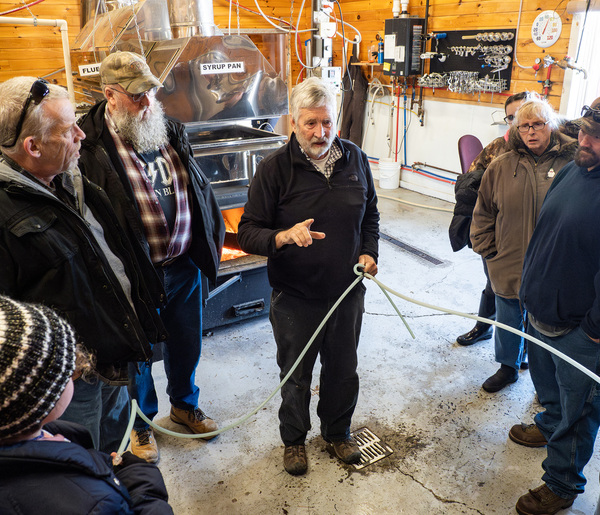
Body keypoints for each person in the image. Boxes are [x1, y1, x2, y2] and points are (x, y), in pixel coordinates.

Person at [0, 76, 166, 453]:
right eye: (68, 129)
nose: (82, 134)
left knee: (115, 447)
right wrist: (62, 362)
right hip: (68, 382)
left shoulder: (69, 178)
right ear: (33, 146)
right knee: (82, 458)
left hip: (113, 356)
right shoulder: (4, 212)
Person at [77, 51, 226, 463]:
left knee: (186, 341)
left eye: (152, 93)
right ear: (111, 95)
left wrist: (208, 240)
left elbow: (193, 186)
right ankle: (141, 424)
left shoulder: (168, 128)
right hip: (134, 274)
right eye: (137, 96)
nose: (148, 103)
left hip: (182, 263)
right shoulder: (90, 144)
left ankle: (184, 403)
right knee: (138, 353)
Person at [237, 77, 380, 476]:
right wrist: (282, 236)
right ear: (294, 123)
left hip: (347, 291)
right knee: (296, 375)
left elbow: (370, 215)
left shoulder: (355, 158)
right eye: (311, 123)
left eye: (328, 123)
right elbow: (248, 231)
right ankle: (295, 441)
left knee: (342, 370)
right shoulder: (274, 170)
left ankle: (337, 432)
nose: (321, 133)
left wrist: (370, 252)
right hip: (296, 297)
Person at [0, 296, 174, 514]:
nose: (80, 363)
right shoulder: (94, 502)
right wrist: (144, 482)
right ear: (41, 395)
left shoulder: (43, 434)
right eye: (69, 368)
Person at [509, 98, 600, 515]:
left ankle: (562, 483)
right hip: (542, 310)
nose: (583, 141)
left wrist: (592, 331)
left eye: (596, 137)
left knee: (579, 410)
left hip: (579, 330)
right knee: (554, 394)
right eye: (582, 130)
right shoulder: (575, 170)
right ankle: (547, 424)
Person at [470, 95, 577, 393]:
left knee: (546, 323)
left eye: (538, 125)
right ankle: (508, 366)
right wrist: (489, 251)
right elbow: (484, 212)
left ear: (551, 125)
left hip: (551, 263)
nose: (531, 131)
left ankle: (546, 382)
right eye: (524, 125)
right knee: (507, 314)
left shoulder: (571, 163)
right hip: (508, 257)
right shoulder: (502, 165)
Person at [450, 92, 527, 346]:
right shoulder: (497, 147)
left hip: (530, 232)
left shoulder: (545, 151)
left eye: (524, 115)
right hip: (497, 229)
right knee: (493, 282)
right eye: (511, 117)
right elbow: (467, 183)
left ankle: (523, 346)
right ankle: (484, 327)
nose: (517, 122)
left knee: (525, 291)